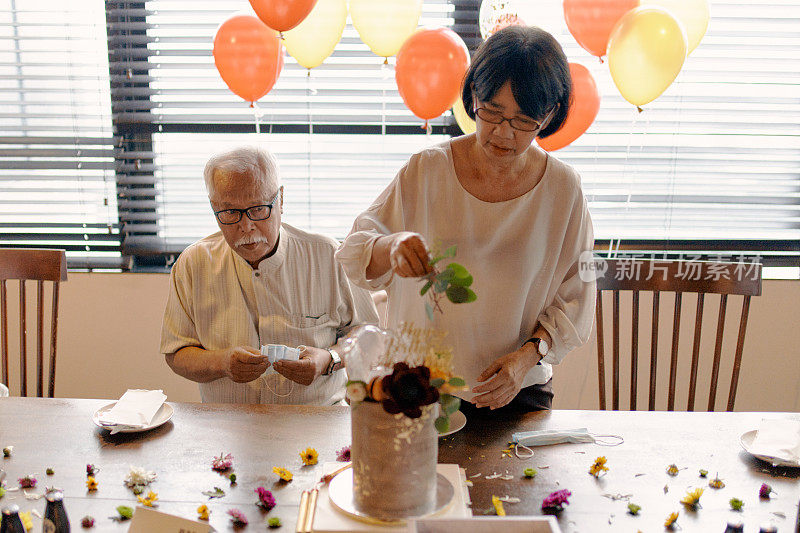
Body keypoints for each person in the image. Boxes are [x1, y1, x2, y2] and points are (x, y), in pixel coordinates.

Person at [336, 26, 595, 413]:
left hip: (513, 389)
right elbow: (356, 254)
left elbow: (576, 301)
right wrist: (390, 247)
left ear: (551, 114)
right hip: (418, 389)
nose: (503, 133)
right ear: (473, 94)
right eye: (491, 112)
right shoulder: (427, 170)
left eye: (524, 120)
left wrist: (526, 359)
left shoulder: (563, 190)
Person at [161, 146, 378, 404]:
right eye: (230, 212)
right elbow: (176, 353)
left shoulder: (329, 256)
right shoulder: (192, 264)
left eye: (258, 208)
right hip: (227, 427)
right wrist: (222, 363)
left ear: (281, 200)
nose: (246, 226)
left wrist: (328, 360)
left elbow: (369, 334)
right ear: (214, 208)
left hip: (317, 420)